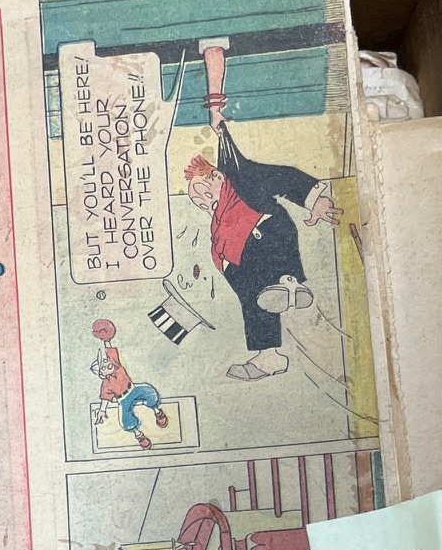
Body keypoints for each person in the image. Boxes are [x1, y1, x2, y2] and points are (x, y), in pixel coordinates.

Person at [181, 121, 341, 382]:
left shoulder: (243, 180)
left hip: (266, 232)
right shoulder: (220, 222)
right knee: (254, 301)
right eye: (201, 203)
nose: (207, 203)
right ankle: (270, 358)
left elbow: (284, 177)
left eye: (205, 193)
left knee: (269, 260)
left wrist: (314, 200)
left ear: (218, 177)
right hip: (243, 261)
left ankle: (288, 282)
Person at [89, 318, 168, 448]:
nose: (107, 364)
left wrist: (106, 339)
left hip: (134, 390)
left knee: (150, 391)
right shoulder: (106, 384)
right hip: (123, 400)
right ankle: (139, 435)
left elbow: (109, 351)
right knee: (126, 422)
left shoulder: (116, 366)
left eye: (105, 362)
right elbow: (105, 399)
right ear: (102, 374)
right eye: (103, 367)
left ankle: (157, 412)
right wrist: (102, 411)